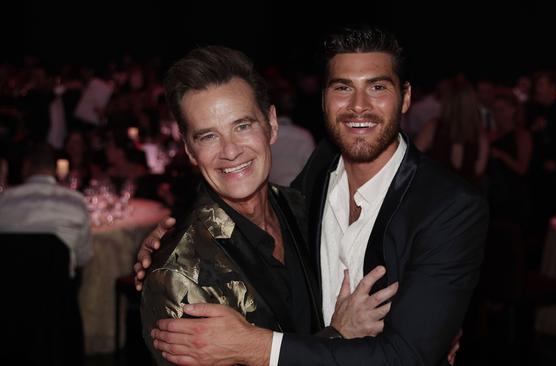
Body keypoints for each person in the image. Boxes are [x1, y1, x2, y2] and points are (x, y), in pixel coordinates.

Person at [135, 27, 487, 365]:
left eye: (377, 87)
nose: (359, 106)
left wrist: (257, 347)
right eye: (342, 88)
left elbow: (406, 356)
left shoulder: (450, 208)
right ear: (324, 99)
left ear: (406, 97)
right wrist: (171, 246)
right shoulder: (320, 170)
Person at [139, 46, 396, 365]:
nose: (230, 151)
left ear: (271, 124)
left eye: (242, 126)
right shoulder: (180, 276)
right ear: (190, 150)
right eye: (208, 136)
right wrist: (337, 336)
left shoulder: (306, 209)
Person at [0, 142, 92, 278]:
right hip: (59, 294)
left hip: (8, 292)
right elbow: (83, 258)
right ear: (55, 169)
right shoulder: (77, 202)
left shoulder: (4, 200)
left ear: (25, 167)